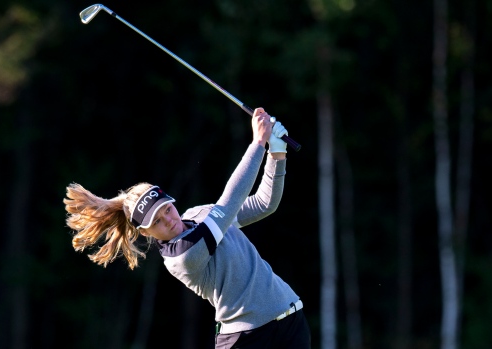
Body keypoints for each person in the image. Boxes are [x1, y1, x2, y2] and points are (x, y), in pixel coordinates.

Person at [63, 107, 311, 349]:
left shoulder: (197, 214)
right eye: (157, 222)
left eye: (167, 210)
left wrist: (276, 154)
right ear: (145, 232)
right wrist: (258, 143)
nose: (169, 220)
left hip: (291, 319)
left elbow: (262, 204)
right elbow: (229, 203)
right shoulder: (181, 255)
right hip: (246, 338)